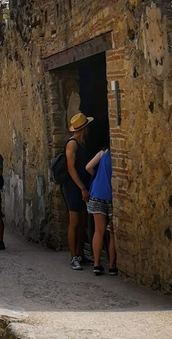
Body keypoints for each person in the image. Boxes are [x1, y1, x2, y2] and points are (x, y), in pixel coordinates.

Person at [63, 112, 94, 270]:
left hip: (83, 185)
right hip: (74, 186)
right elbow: (70, 168)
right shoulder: (72, 144)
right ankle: (73, 256)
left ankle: (81, 253)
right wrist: (82, 188)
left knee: (82, 221)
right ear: (84, 128)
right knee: (74, 221)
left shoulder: (82, 143)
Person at [86, 145, 117, 276]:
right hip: (111, 196)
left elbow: (88, 167)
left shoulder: (103, 152)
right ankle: (112, 266)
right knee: (112, 232)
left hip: (97, 193)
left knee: (99, 231)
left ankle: (97, 264)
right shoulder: (116, 156)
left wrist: (97, 175)